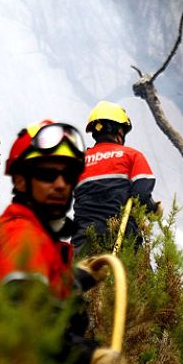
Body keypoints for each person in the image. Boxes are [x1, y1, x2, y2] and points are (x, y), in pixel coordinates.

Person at [0, 119, 126, 364]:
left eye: (68, 175)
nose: (60, 185)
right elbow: (30, 323)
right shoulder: (22, 237)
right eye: (47, 175)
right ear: (21, 182)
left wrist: (80, 278)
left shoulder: (35, 237)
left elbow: (39, 296)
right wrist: (91, 355)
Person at [72, 101, 160, 254]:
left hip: (83, 241)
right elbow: (141, 194)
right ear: (118, 130)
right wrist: (153, 209)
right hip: (121, 237)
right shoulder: (132, 156)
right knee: (138, 276)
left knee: (78, 276)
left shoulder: (79, 162)